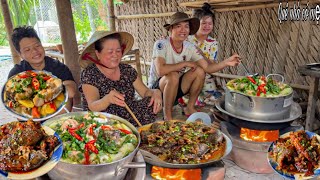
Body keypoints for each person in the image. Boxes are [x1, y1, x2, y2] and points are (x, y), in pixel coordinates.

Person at [148, 12, 240, 120]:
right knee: (173, 75)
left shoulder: (190, 47)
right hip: (156, 91)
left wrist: (226, 62)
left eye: (186, 26)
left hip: (175, 88)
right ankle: (167, 116)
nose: (183, 30)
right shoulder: (161, 44)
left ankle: (189, 107)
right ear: (171, 29)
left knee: (199, 71)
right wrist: (185, 63)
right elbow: (161, 70)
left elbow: (208, 68)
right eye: (178, 26)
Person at [79, 31, 162, 127]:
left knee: (150, 102)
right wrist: (107, 99)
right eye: (110, 52)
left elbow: (145, 92)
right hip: (104, 119)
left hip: (129, 114)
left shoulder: (127, 70)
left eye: (118, 51)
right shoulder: (90, 73)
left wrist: (155, 92)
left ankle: (133, 129)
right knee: (104, 120)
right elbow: (92, 105)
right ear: (98, 54)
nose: (115, 55)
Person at [8, 26, 76, 112]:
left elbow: (71, 92)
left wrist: (51, 88)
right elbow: (14, 105)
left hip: (58, 117)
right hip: (31, 119)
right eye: (27, 50)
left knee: (66, 98)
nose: (35, 51)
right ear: (20, 54)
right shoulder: (17, 73)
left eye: (37, 46)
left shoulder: (58, 67)